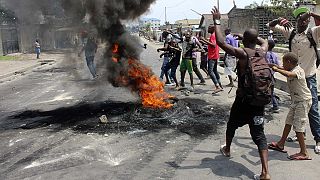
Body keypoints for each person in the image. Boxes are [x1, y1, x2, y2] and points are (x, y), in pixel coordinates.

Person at [212, 6, 270, 180]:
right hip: (259, 100)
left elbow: (221, 42)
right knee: (259, 135)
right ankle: (265, 172)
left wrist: (217, 21)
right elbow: (264, 40)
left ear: (245, 40)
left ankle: (228, 149)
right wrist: (247, 36)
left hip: (243, 101)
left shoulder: (242, 53)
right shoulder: (263, 51)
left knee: (232, 124)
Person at [267, 7, 320, 154]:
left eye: (305, 20)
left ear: (308, 21)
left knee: (313, 109)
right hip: (293, 78)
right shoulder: (290, 32)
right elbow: (270, 26)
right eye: (300, 19)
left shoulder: (313, 33)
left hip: (308, 78)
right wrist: (278, 20)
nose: (303, 22)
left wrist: (310, 13)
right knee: (296, 108)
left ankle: (318, 139)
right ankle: (300, 134)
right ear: (296, 21)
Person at [268, 52, 312, 160]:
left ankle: (304, 152)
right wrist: (271, 65)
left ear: (289, 62)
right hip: (296, 101)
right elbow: (283, 68)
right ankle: (281, 143)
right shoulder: (291, 68)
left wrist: (276, 70)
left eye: (284, 62)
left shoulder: (298, 70)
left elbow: (289, 75)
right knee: (288, 122)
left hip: (303, 101)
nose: (283, 65)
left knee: (298, 127)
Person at [200, 25, 223, 94]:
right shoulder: (215, 35)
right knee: (215, 71)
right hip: (215, 55)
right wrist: (204, 42)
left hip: (212, 56)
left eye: (209, 28)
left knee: (210, 71)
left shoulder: (213, 35)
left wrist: (204, 40)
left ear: (212, 29)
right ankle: (220, 85)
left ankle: (217, 86)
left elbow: (213, 45)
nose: (208, 29)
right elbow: (212, 45)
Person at [266, 40, 280, 113]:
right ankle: (274, 104)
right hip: (272, 75)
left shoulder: (265, 54)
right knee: (271, 90)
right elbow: (277, 65)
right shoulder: (275, 54)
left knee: (269, 91)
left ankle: (275, 105)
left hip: (266, 75)